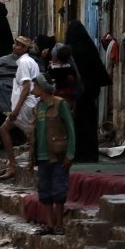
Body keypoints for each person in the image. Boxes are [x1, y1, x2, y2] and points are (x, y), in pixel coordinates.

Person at [30, 74, 75, 235]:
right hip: (42, 156)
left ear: (42, 88)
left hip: (58, 155)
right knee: (45, 191)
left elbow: (70, 129)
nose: (33, 90)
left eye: (35, 87)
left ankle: (59, 224)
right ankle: (49, 224)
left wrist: (70, 153)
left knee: (59, 191)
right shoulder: (37, 107)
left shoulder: (59, 104)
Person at [64, 20, 112, 163]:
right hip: (90, 92)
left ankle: (78, 154)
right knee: (90, 124)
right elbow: (97, 69)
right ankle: (90, 154)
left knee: (76, 123)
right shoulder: (89, 47)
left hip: (76, 93)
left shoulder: (69, 50)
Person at [0, 36, 40, 180]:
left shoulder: (23, 62)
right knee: (32, 133)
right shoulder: (31, 62)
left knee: (4, 129)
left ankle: (12, 165)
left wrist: (15, 110)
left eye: (17, 45)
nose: (14, 46)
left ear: (24, 48)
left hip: (25, 105)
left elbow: (26, 86)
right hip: (31, 103)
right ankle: (30, 161)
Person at [48, 43, 83, 108]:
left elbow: (49, 80)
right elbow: (74, 79)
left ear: (56, 56)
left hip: (56, 94)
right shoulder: (71, 67)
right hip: (68, 94)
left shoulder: (52, 68)